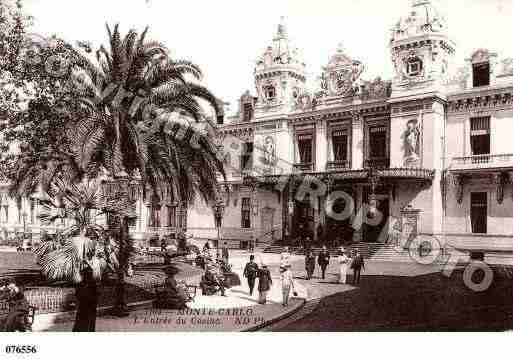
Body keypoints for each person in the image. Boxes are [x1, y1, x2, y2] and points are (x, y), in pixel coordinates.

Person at [73, 266, 98, 332]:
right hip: (84, 308)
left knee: (88, 325)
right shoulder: (81, 284)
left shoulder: (93, 284)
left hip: (89, 308)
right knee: (82, 324)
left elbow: (96, 295)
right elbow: (77, 295)